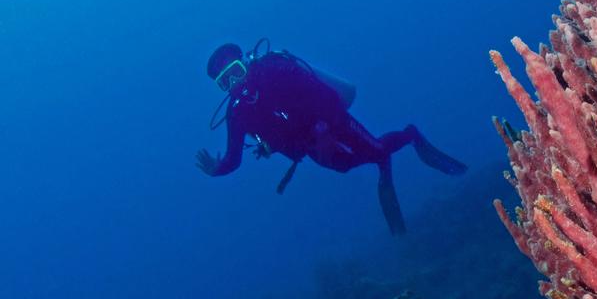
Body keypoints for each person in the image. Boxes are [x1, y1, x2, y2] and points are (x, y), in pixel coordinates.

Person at [197, 42, 466, 234]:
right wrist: (217, 170)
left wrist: (324, 128)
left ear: (244, 62)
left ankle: (409, 136)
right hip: (307, 144)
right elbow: (234, 158)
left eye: (235, 72)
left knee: (375, 150)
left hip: (332, 121)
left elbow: (322, 94)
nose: (235, 83)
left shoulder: (275, 70)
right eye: (225, 82)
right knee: (346, 165)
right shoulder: (238, 112)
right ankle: (382, 160)